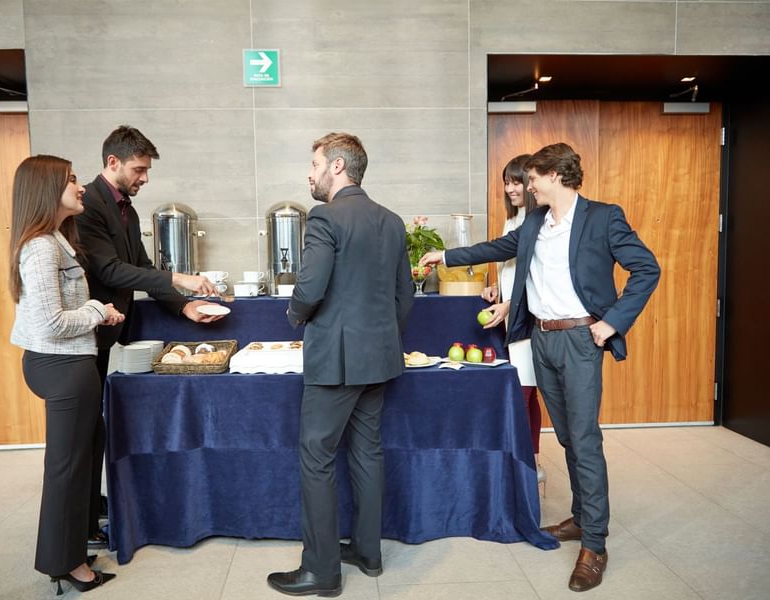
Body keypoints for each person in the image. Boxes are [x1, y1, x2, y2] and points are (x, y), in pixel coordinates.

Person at [420, 142, 660, 592]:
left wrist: (611, 323)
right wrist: (447, 256)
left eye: (532, 177)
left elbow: (647, 269)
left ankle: (595, 543)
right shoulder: (535, 223)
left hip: (580, 339)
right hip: (542, 339)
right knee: (566, 436)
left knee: (584, 439)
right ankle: (582, 516)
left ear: (555, 175)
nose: (527, 186)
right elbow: (498, 247)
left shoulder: (603, 217)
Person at [267, 133, 414, 597]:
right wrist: (382, 337)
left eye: (313, 164)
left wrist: (295, 315)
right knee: (367, 451)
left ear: (336, 167)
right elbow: (403, 296)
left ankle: (322, 571)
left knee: (316, 457)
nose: (308, 173)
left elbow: (310, 287)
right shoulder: (391, 221)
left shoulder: (325, 217)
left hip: (335, 361)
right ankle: (368, 553)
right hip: (380, 357)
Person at [75, 125, 223, 549]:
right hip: (87, 334)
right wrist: (181, 278)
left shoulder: (127, 208)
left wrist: (183, 305)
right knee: (86, 431)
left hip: (106, 334)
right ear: (113, 163)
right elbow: (111, 271)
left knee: (95, 429)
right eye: (139, 169)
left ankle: (91, 509)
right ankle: (84, 523)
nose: (145, 178)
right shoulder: (89, 207)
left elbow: (141, 267)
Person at [9, 155, 122, 593]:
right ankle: (66, 563)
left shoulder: (57, 239)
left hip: (69, 364)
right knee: (67, 469)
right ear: (45, 189)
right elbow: (51, 322)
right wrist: (97, 310)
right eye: (71, 179)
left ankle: (73, 549)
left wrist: (96, 313)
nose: (80, 186)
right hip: (61, 366)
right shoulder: (40, 246)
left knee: (79, 462)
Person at [479, 154, 544, 485]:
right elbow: (511, 267)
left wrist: (509, 305)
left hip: (530, 320)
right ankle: (528, 460)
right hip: (513, 316)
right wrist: (497, 289)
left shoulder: (536, 222)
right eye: (507, 182)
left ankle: (524, 465)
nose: (511, 188)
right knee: (523, 390)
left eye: (517, 181)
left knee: (525, 392)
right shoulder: (513, 220)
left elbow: (536, 277)